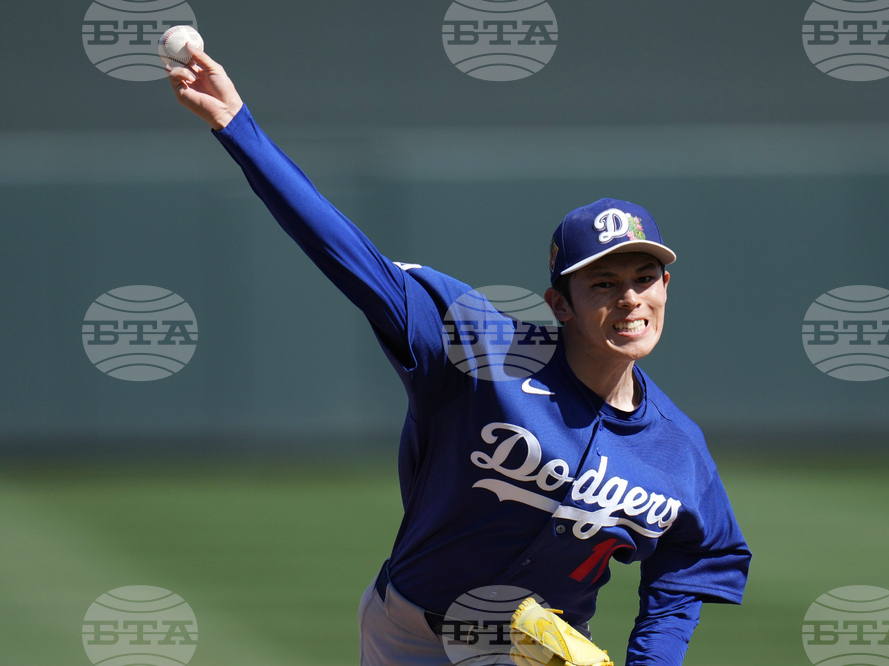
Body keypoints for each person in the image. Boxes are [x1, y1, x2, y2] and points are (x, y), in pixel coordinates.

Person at [167, 47, 751, 665]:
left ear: (665, 287)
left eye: (644, 277)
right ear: (561, 304)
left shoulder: (678, 450)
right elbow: (349, 257)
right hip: (412, 638)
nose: (630, 299)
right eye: (602, 285)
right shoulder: (481, 354)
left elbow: (695, 558)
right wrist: (240, 129)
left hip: (534, 657)